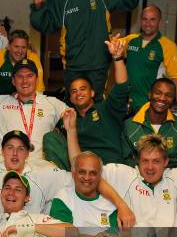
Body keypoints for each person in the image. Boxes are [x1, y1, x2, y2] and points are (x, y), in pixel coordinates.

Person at [29, 0, 141, 101]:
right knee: (73, 106)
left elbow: (128, 0)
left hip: (99, 64)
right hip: (73, 66)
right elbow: (45, 25)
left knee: (96, 106)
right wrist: (38, 7)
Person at [43, 37, 129, 169]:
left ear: (92, 93)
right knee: (50, 138)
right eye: (74, 91)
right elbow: (56, 140)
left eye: (83, 89)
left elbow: (122, 86)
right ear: (71, 98)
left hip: (112, 167)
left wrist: (117, 58)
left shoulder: (106, 108)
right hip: (85, 172)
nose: (79, 93)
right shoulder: (69, 119)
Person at [0, 58, 68, 165]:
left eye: (30, 76)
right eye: (20, 76)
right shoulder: (0, 102)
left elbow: (75, 117)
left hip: (40, 165)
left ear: (37, 79)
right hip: (4, 163)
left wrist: (61, 129)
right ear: (13, 81)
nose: (25, 81)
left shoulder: (52, 103)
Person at [123, 5, 177, 112]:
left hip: (152, 107)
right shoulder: (130, 40)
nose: (148, 23)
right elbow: (110, 50)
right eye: (144, 19)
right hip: (127, 105)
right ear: (140, 21)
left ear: (159, 22)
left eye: (152, 20)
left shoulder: (168, 46)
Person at [122, 80, 177, 168]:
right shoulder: (130, 125)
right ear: (149, 94)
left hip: (173, 179)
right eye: (158, 93)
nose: (162, 98)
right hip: (138, 178)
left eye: (168, 95)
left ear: (173, 100)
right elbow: (126, 161)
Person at [0, 29, 45, 95]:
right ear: (9, 46)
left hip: (27, 98)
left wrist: (19, 96)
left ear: (27, 47)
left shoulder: (33, 59)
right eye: (16, 46)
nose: (20, 51)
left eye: (23, 47)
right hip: (1, 99)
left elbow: (39, 90)